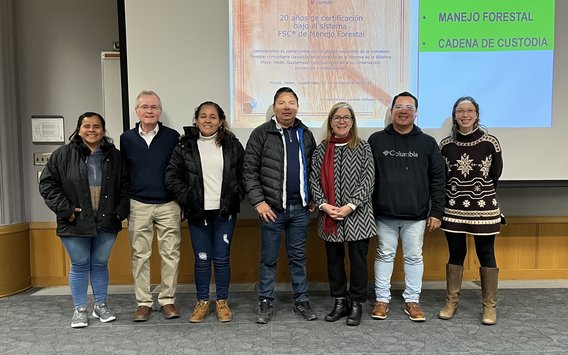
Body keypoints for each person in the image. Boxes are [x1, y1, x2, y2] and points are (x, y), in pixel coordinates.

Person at [39, 112, 129, 328]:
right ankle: (80, 309)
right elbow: (47, 185)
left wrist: (120, 211)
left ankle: (100, 305)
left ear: (104, 130)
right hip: (74, 219)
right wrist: (66, 210)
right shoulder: (62, 155)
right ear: (78, 129)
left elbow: (125, 185)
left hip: (107, 218)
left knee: (99, 264)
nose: (91, 130)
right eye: (86, 126)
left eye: (96, 126)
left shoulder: (115, 156)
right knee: (79, 264)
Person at [368, 91, 446, 322]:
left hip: (417, 215)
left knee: (414, 257)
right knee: (384, 255)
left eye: (409, 107)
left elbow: (438, 180)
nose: (404, 110)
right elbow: (367, 177)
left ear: (416, 113)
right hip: (383, 214)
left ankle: (412, 300)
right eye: (399, 106)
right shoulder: (376, 140)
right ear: (391, 111)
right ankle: (382, 300)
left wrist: (437, 211)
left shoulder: (428, 143)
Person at [166, 101, 245, 323]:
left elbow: (244, 174)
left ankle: (222, 302)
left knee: (221, 259)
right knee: (202, 259)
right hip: (197, 213)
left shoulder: (232, 145)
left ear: (221, 121)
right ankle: (202, 302)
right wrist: (189, 199)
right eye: (203, 116)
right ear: (195, 120)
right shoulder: (184, 146)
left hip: (224, 212)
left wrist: (234, 196)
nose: (207, 120)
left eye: (213, 116)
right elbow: (172, 177)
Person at [243, 87, 317, 324]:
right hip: (271, 210)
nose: (287, 106)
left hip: (300, 210)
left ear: (297, 106)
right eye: (282, 102)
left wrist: (313, 197)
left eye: (292, 102)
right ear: (274, 107)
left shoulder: (305, 134)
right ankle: (265, 300)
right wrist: (259, 202)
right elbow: (249, 171)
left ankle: (301, 300)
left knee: (298, 257)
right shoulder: (261, 134)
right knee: (269, 258)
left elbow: (312, 169)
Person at [310, 102, 377, 326]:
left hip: (358, 216)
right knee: (334, 262)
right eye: (337, 117)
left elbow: (368, 180)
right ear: (330, 122)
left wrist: (350, 205)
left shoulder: (363, 147)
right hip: (329, 216)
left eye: (346, 117)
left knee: (358, 262)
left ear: (352, 122)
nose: (341, 121)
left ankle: (356, 303)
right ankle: (340, 300)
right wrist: (323, 205)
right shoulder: (321, 149)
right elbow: (314, 182)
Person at [438, 96, 503, 325]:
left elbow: (495, 174)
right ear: (455, 115)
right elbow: (443, 178)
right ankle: (451, 302)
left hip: (484, 209)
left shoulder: (490, 142)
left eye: (470, 111)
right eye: (460, 111)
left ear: (476, 114)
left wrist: (479, 197)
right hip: (453, 208)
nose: (465, 115)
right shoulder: (445, 145)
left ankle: (489, 307)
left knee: (486, 254)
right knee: (456, 254)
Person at [120, 90, 182, 322]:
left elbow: (178, 171)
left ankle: (167, 300)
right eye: (144, 107)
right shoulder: (126, 139)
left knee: (170, 254)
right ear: (137, 111)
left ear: (160, 110)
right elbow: (124, 174)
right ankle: (144, 302)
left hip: (168, 203)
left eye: (154, 107)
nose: (149, 111)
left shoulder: (172, 136)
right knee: (140, 255)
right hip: (138, 204)